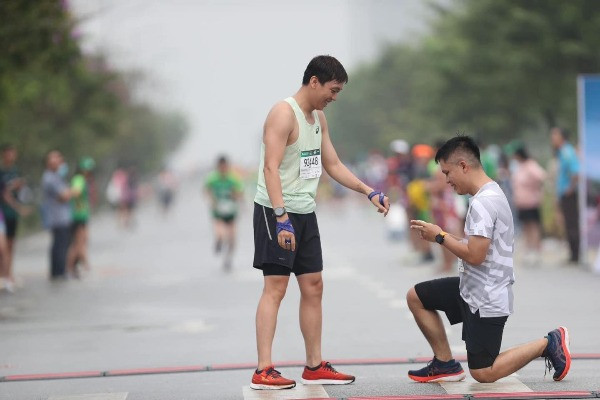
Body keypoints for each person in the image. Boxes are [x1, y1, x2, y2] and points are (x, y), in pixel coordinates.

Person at [251, 55, 389, 390]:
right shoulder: (283, 114)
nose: (334, 97)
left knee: (313, 286)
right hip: (276, 210)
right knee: (276, 288)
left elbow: (332, 164)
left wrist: (367, 191)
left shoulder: (319, 119)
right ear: (314, 81)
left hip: (305, 211)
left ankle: (314, 365)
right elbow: (271, 168)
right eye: (333, 89)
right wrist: (281, 216)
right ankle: (263, 369)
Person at [408, 136, 570, 384]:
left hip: (487, 297)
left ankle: (549, 343)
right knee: (417, 296)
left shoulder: (483, 202)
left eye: (447, 172)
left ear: (463, 165)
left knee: (484, 372)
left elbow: (475, 255)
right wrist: (439, 234)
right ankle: (445, 363)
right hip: (471, 287)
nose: (446, 180)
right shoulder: (489, 192)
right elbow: (473, 246)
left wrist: (439, 236)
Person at [204, 155, 243, 272]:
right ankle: (219, 242)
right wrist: (212, 200)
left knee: (232, 238)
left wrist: (234, 196)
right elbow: (207, 190)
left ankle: (228, 258)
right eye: (221, 167)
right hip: (218, 211)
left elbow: (240, 193)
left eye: (225, 167)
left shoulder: (233, 178)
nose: (223, 169)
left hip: (231, 211)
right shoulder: (212, 178)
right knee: (220, 233)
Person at [0, 144, 31, 290]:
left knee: (11, 245)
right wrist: (19, 208)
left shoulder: (16, 171)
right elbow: (4, 193)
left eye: (13, 153)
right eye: (8, 153)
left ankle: (9, 273)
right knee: (3, 247)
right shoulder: (1, 172)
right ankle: (3, 274)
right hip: (3, 213)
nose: (11, 155)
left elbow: (20, 192)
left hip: (12, 214)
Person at [511, 147, 546, 265]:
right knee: (526, 227)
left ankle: (536, 251)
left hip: (531, 201)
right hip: (522, 203)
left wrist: (534, 188)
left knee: (533, 226)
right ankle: (528, 249)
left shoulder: (531, 165)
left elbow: (541, 177)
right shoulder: (520, 166)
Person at [550, 127, 580, 264]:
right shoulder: (562, 151)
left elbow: (575, 171)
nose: (552, 139)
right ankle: (573, 253)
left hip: (569, 194)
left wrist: (570, 188)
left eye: (554, 136)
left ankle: (576, 254)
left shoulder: (567, 151)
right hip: (564, 193)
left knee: (571, 223)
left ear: (562, 137)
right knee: (568, 223)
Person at [41, 150, 73, 279]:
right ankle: (58, 272)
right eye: (56, 160)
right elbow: (64, 195)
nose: (59, 163)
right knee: (59, 245)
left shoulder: (57, 177)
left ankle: (59, 271)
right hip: (56, 217)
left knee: (61, 244)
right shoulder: (49, 178)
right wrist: (71, 192)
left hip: (62, 216)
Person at [66, 157, 95, 278]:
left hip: (82, 214)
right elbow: (75, 191)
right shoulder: (78, 179)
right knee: (79, 242)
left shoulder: (83, 179)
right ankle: (74, 266)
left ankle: (74, 266)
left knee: (82, 241)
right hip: (77, 215)